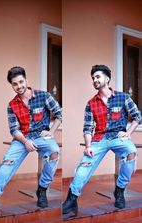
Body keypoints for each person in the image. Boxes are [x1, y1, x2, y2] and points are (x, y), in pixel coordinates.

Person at [62, 64, 142, 215]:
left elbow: (137, 116)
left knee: (131, 152)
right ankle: (71, 200)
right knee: (84, 165)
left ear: (107, 79)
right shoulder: (91, 103)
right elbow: (87, 127)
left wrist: (128, 132)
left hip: (119, 136)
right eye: (93, 78)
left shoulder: (123, 97)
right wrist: (88, 145)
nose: (95, 80)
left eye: (98, 77)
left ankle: (119, 190)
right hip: (99, 138)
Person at [0, 66, 62, 213]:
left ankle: (42, 189)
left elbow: (59, 114)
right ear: (12, 85)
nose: (19, 86)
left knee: (54, 152)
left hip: (41, 135)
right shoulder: (12, 105)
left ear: (26, 80)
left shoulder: (44, 96)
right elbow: (14, 130)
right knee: (7, 162)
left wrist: (51, 132)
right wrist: (25, 141)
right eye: (15, 84)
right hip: (23, 138)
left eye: (21, 82)